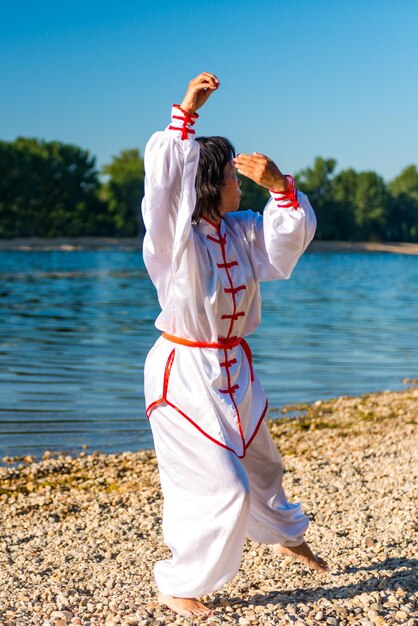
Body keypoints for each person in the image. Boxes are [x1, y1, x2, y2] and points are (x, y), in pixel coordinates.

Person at [141, 72, 327, 618]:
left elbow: (284, 241)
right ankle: (179, 581)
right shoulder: (174, 241)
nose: (237, 185)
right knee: (223, 484)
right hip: (185, 371)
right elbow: (164, 190)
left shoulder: (241, 230)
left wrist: (280, 187)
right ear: (208, 183)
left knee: (263, 466)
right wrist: (187, 112)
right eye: (230, 177)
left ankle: (287, 536)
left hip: (235, 367)